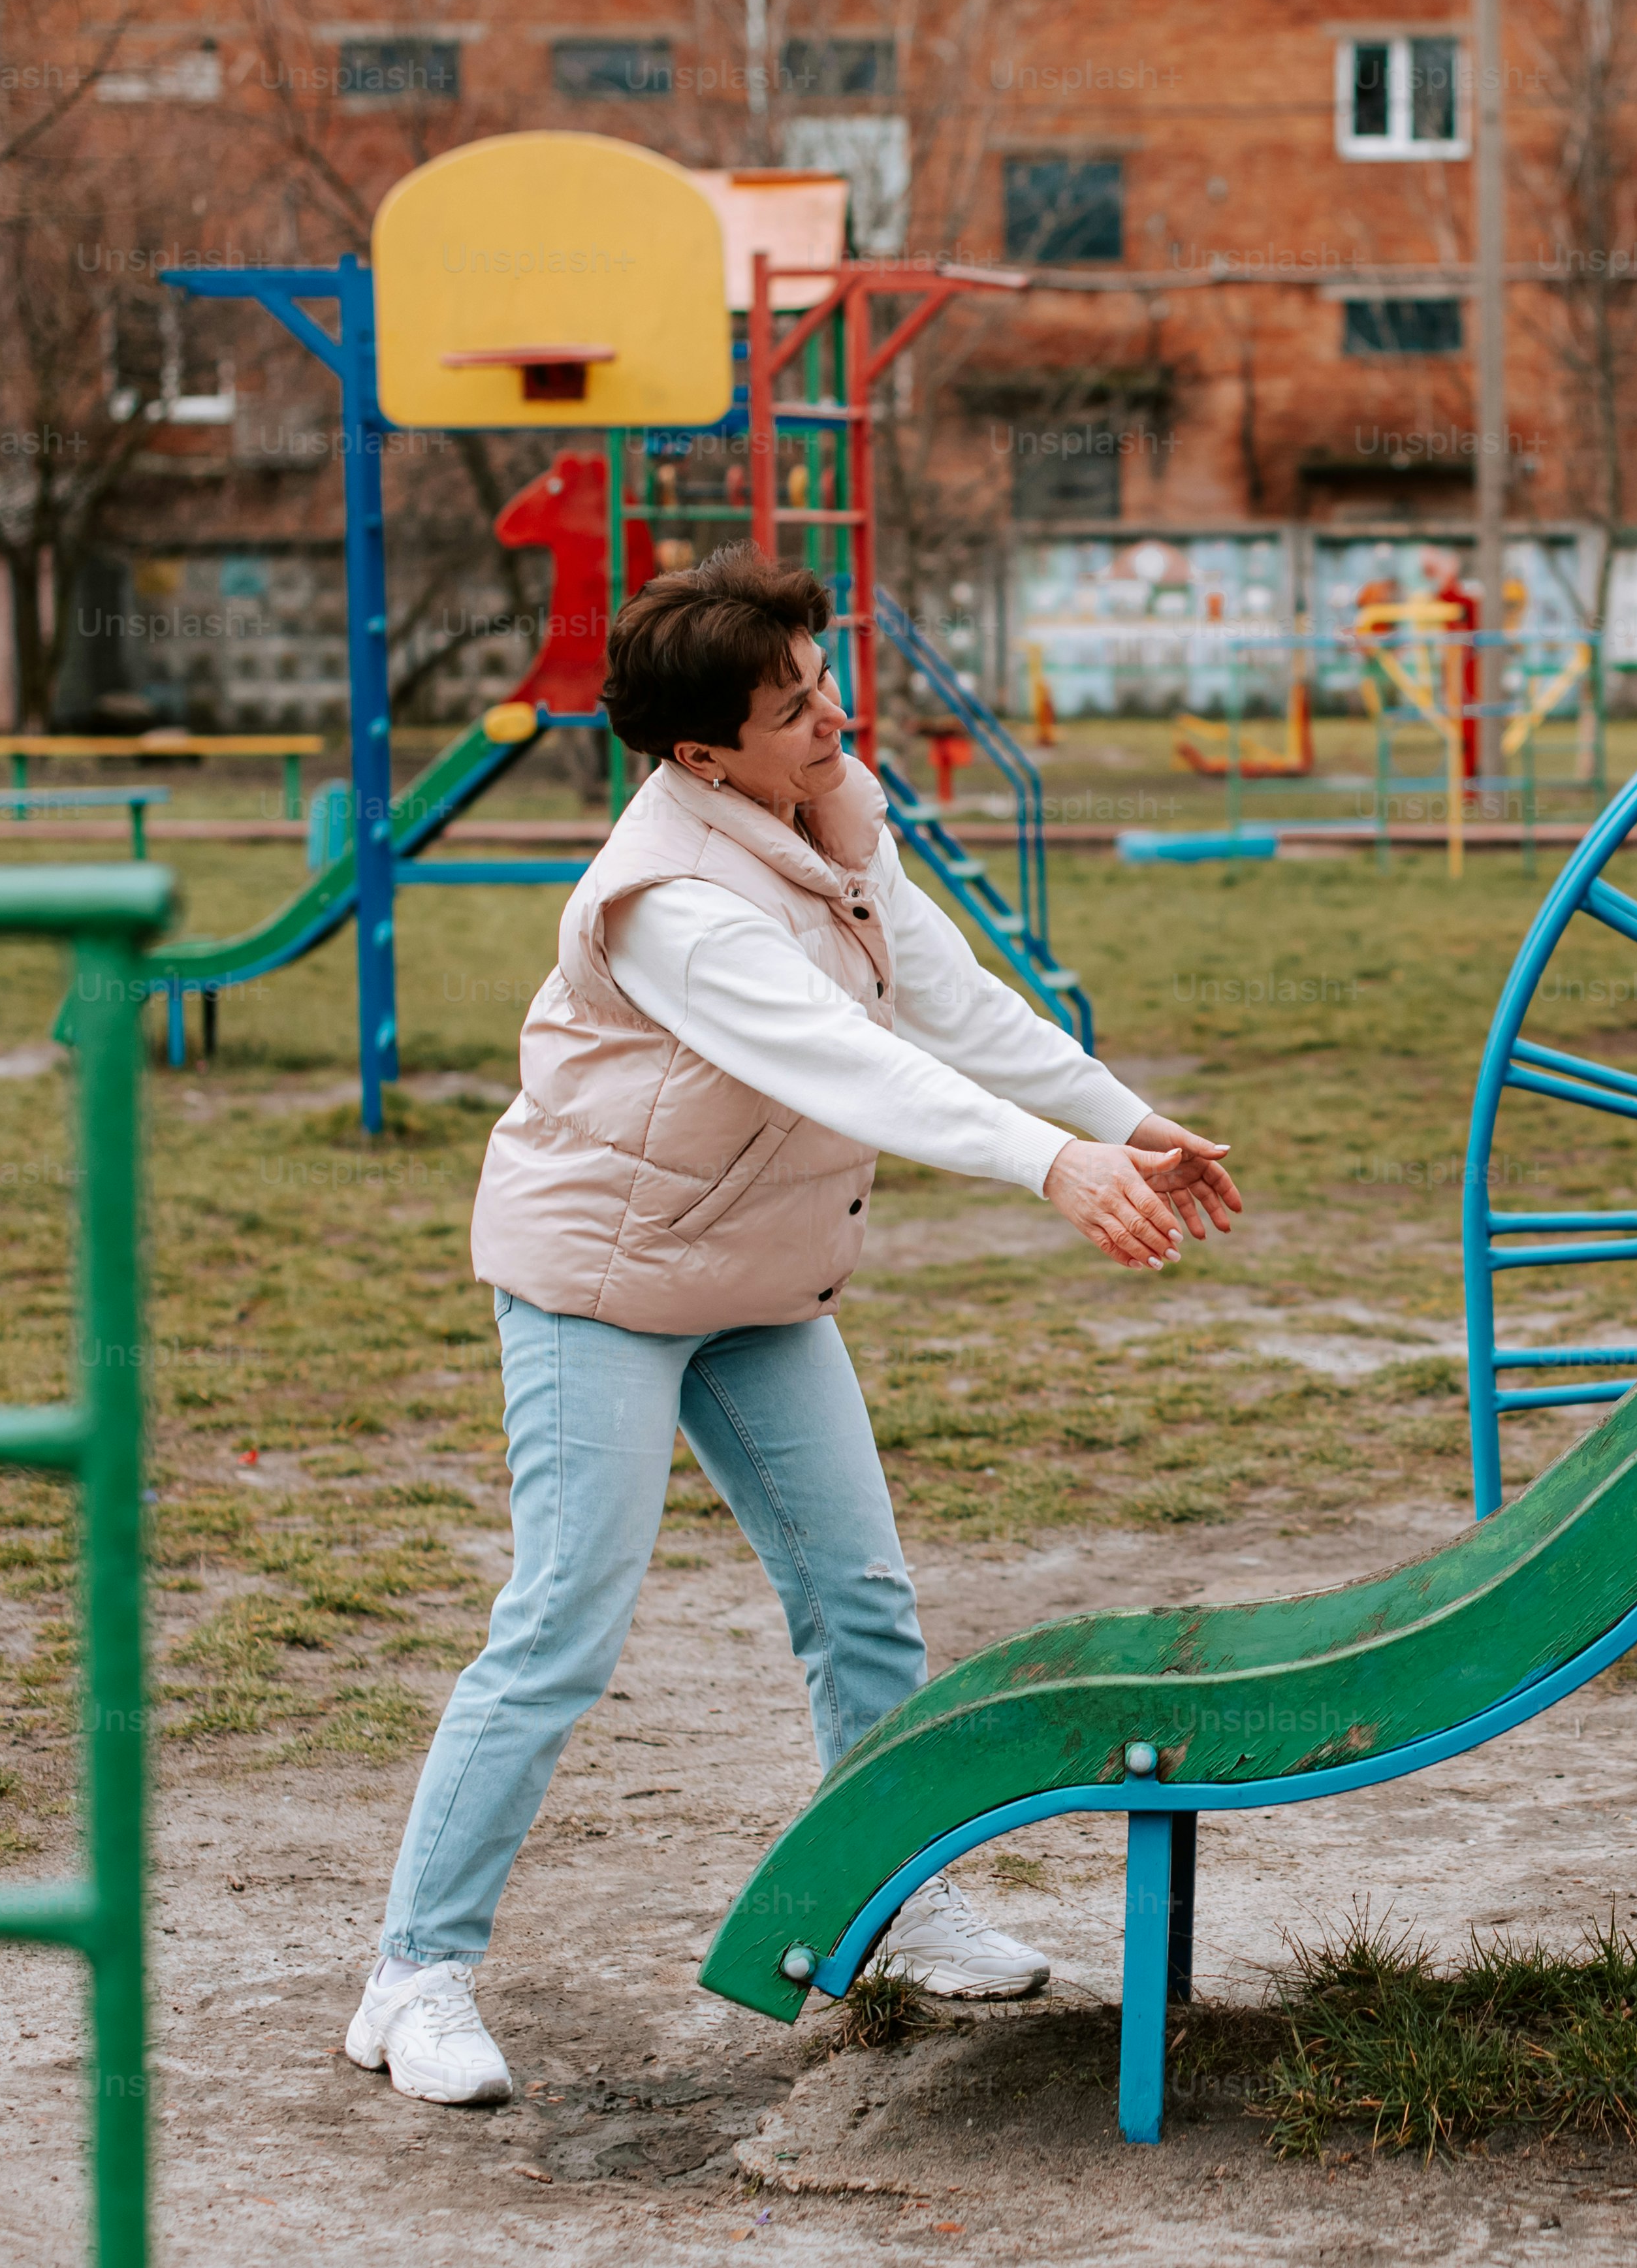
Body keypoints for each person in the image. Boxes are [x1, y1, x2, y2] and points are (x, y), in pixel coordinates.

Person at [347, 550, 1241, 2107]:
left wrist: (1122, 1115)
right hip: (605, 1286)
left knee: (863, 1597)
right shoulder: (672, 906)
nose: (835, 714)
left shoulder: (830, 810)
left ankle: (889, 1910)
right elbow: (851, 1064)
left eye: (821, 683)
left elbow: (943, 996)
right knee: (562, 1624)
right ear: (703, 755)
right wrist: (1053, 1166)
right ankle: (411, 1976)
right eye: (795, 706)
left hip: (755, 1278)